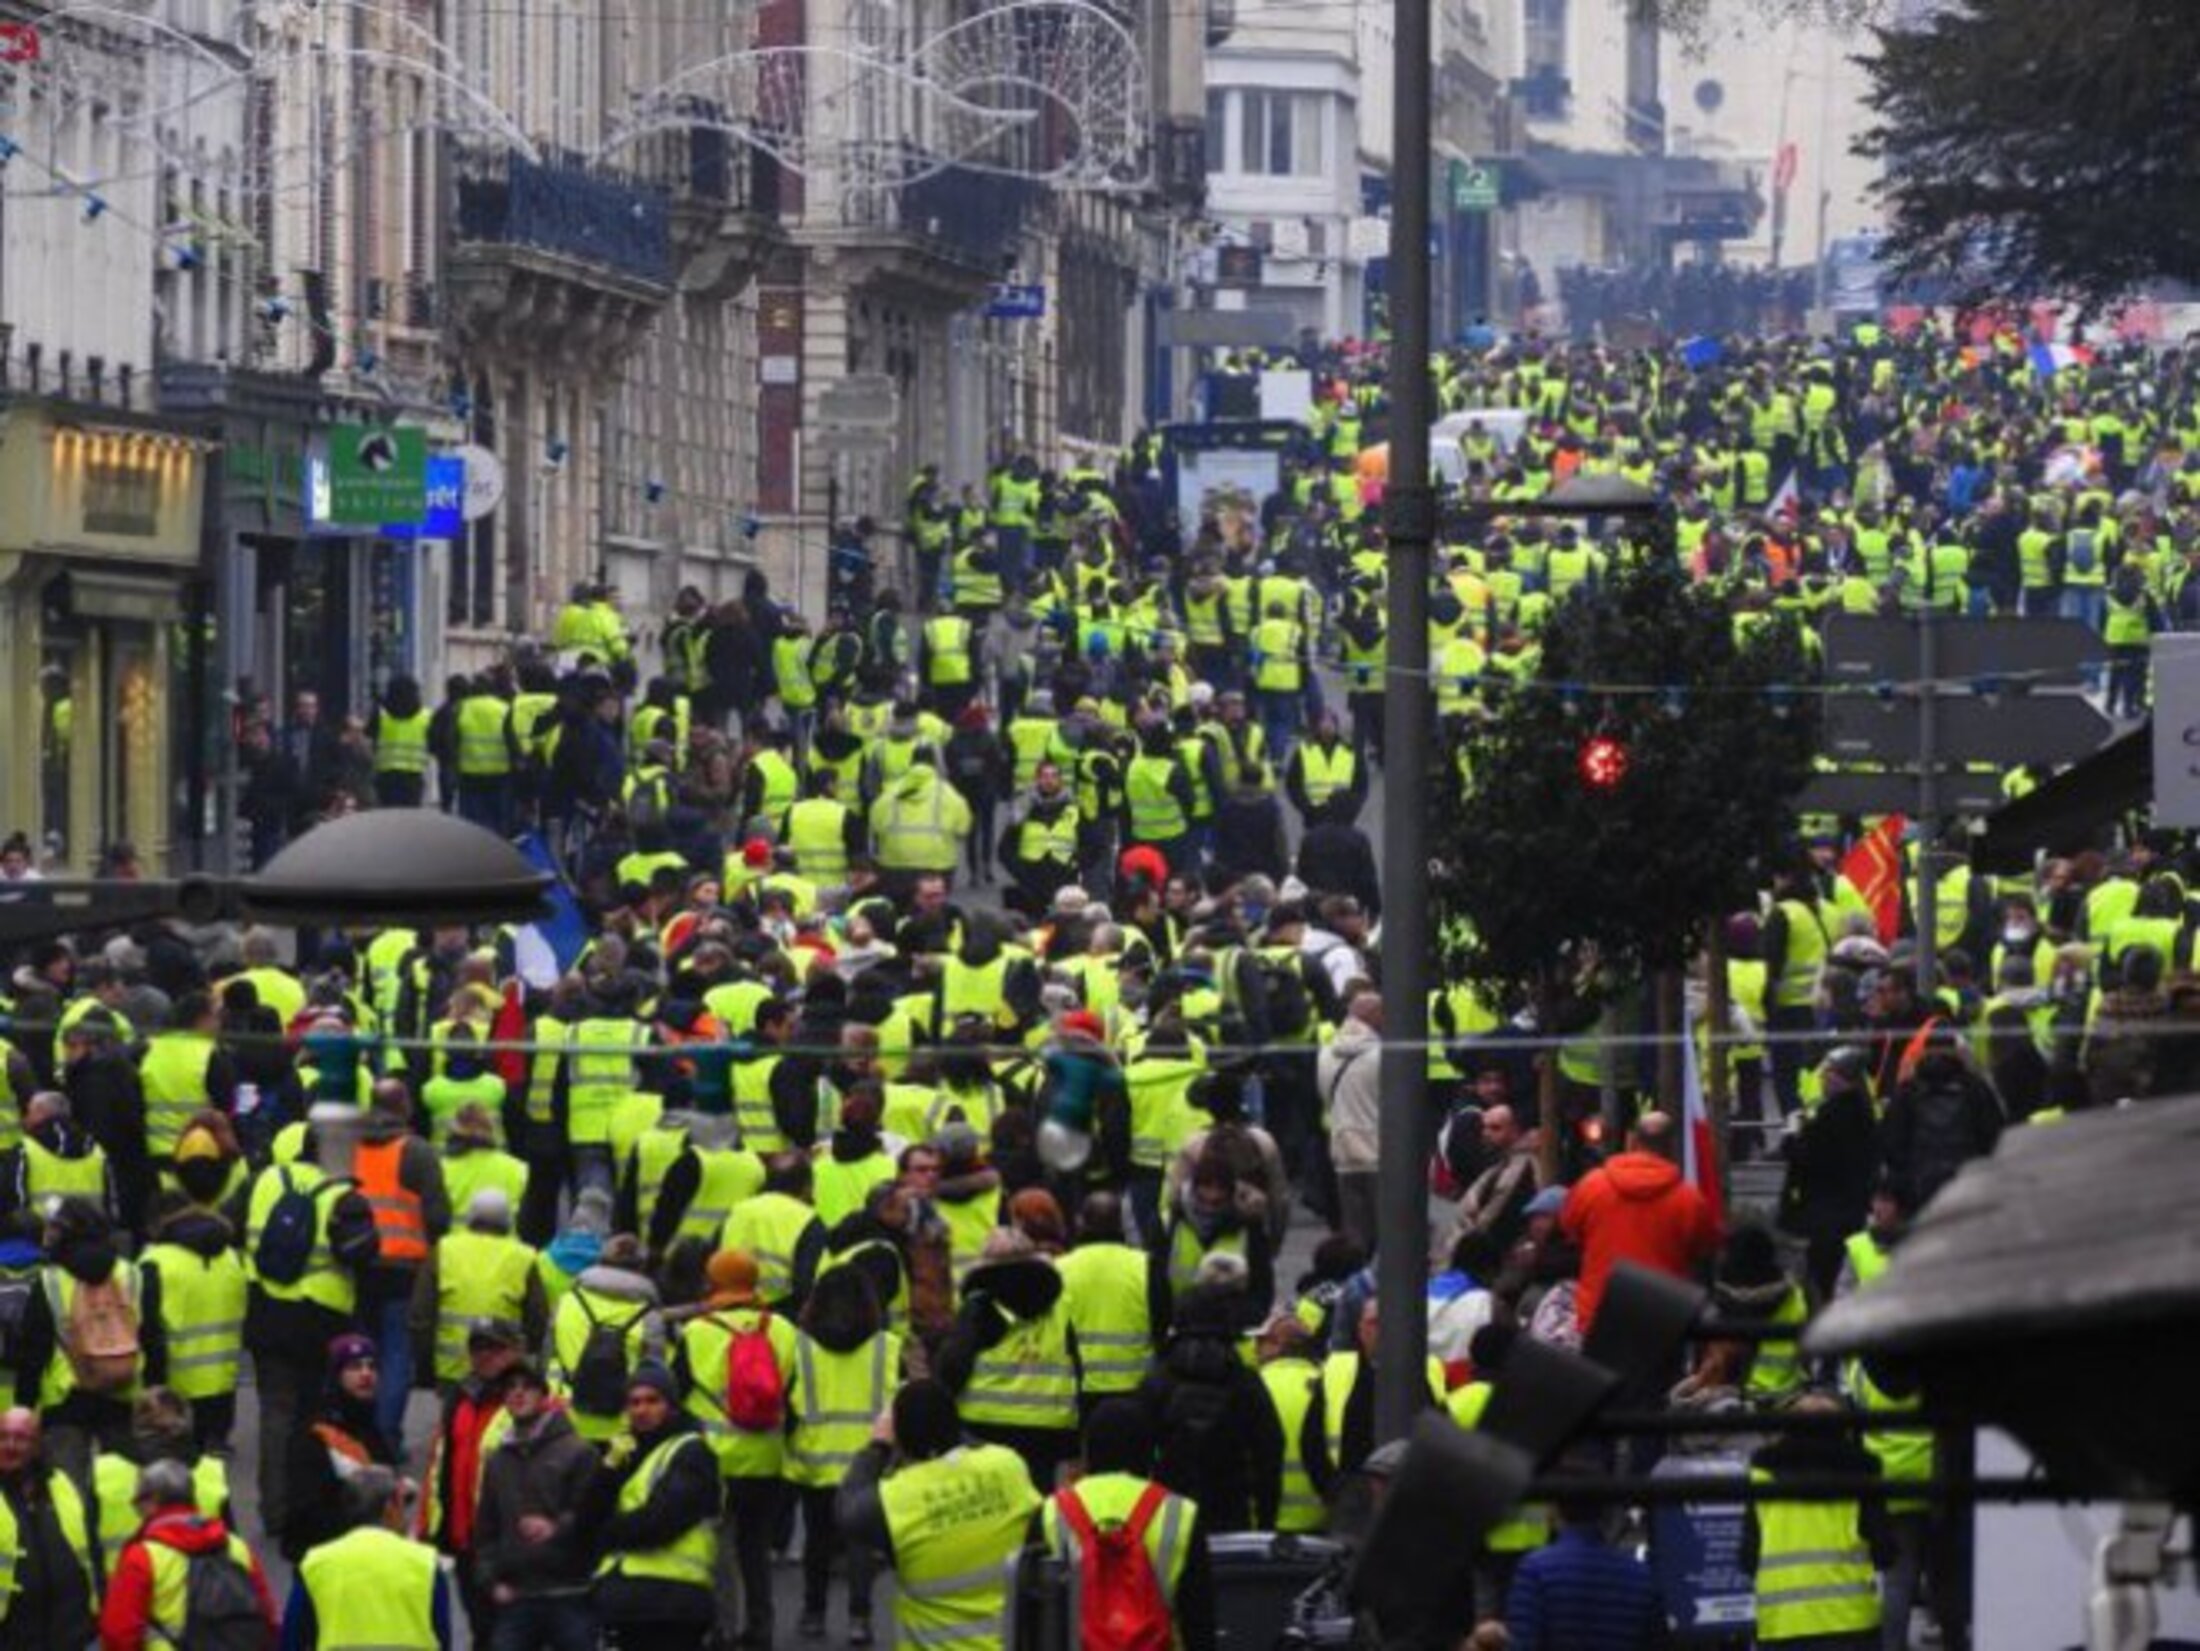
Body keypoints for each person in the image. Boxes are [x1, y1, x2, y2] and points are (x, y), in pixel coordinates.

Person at [241, 1119, 378, 1538]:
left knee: (275, 1413)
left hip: (266, 1312)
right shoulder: (342, 1195)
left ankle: (274, 1509)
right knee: (315, 1413)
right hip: (322, 1319)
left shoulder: (264, 1181)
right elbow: (362, 1254)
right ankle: (310, 1503)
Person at [836, 1378, 1040, 1651]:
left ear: (900, 1440)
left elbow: (847, 1510)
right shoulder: (1009, 1465)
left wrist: (878, 1446)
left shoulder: (895, 1499)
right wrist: (943, 1418)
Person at [671, 1249, 796, 1650]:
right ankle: (761, 1629)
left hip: (716, 1461)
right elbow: (792, 1394)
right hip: (767, 1458)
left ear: (713, 1282)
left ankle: (723, 1629)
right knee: (755, 1549)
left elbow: (676, 1393)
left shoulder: (697, 1331)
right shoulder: (781, 1328)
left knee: (719, 1548)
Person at [1031, 1398, 1217, 1651]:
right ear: (1149, 1453)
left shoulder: (1052, 1511)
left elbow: (1036, 1625)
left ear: (1087, 1454)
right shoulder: (1180, 1513)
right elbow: (1200, 1626)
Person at [786, 1263, 901, 1644]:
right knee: (860, 1544)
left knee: (817, 1541)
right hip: (869, 1462)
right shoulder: (887, 1347)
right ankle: (860, 1618)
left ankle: (813, 1612)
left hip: (814, 1460)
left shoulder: (799, 1347)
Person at [577, 1363, 722, 1651]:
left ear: (672, 1406)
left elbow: (659, 1522)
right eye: (634, 1402)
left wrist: (604, 1532)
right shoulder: (626, 1453)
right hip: (627, 1598)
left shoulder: (692, 1451)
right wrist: (608, 1469)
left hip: (673, 1598)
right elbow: (584, 1519)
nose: (641, 1410)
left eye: (652, 1400)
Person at [937, 1227, 1082, 1490]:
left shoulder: (979, 1308)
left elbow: (952, 1367)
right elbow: (1078, 1366)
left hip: (985, 1425)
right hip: (1048, 1427)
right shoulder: (1062, 1307)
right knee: (1037, 1497)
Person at [1742, 1394, 1890, 1650]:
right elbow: (1885, 1552)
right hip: (1850, 1622)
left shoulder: (1760, 1475)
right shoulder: (1863, 1474)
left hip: (1783, 1625)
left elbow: (1747, 1557)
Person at [473, 1360, 600, 1651]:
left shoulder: (579, 1452)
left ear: (544, 1396)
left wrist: (555, 1528)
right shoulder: (498, 1460)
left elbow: (594, 1518)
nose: (518, 1393)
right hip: (517, 1597)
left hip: (571, 1594)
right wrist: (491, 1581)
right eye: (510, 1388)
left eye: (527, 1387)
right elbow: (485, 1530)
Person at [1558, 1112, 1721, 1337]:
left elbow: (1569, 1229)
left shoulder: (1591, 1186)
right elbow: (1705, 1247)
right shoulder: (1689, 1200)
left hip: (1599, 1312)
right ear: (1671, 1146)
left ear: (1632, 1140)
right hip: (1663, 1316)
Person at [1136, 1283, 1282, 1534]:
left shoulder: (1158, 1380)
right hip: (1230, 1508)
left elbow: (1137, 1449)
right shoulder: (1244, 1381)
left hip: (1170, 1513)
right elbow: (1270, 1449)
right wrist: (1266, 1519)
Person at [354, 1078, 453, 1447]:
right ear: (405, 1107)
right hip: (404, 1266)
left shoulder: (350, 1148)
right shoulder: (417, 1152)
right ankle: (385, 1437)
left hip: (359, 1263)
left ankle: (361, 1432)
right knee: (397, 1355)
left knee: (363, 1353)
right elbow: (438, 1215)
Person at [96, 1455, 277, 1651]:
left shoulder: (143, 1557)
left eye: (138, 1501)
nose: (136, 1508)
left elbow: (118, 1634)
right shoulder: (236, 1546)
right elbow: (267, 1613)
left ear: (152, 1502)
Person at [419, 1320, 527, 1645]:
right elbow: (440, 1464)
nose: (485, 1355)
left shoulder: (528, 1401)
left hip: (509, 1544)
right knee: (481, 1627)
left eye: (496, 1348)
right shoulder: (461, 1398)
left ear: (516, 1351)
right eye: (478, 1348)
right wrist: (428, 1526)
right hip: (465, 1540)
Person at [282, 1464, 454, 1651]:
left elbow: (292, 1640)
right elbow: (442, 1636)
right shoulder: (424, 1563)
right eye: (403, 1503)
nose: (406, 1514)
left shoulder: (316, 1564)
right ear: (389, 1508)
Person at [1502, 1457, 1666, 1651]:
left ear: (1554, 1509)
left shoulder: (1534, 1571)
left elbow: (1521, 1643)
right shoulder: (1641, 1578)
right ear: (1605, 1510)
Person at [281, 1332, 402, 1562]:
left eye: (371, 1366)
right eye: (355, 1367)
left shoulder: (372, 1429)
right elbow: (305, 1513)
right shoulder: (314, 1435)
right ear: (336, 1376)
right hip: (329, 1559)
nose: (366, 1374)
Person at [0, 1406, 97, 1651]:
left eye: (21, 1438)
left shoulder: (60, 1483)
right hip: (12, 1637)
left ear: (37, 1445)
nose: (10, 1445)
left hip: (72, 1633)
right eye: (2, 1436)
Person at [1316, 990, 1383, 1253]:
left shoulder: (1325, 1054)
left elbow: (1325, 1099)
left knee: (1356, 1235)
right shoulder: (1381, 1056)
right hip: (1379, 1152)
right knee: (1390, 1234)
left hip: (1342, 1150)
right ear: (1374, 1016)